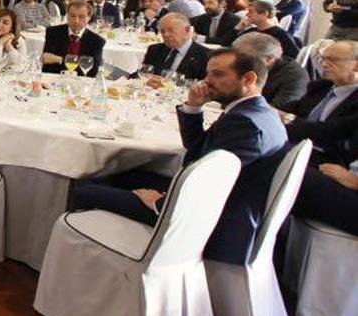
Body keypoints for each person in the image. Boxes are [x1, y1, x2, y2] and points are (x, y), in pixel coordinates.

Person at [71, 48, 287, 264]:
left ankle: (86, 265)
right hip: (212, 201)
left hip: (207, 218)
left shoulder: (244, 123)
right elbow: (197, 153)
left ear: (248, 78)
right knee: (117, 172)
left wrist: (160, 201)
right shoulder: (259, 112)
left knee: (83, 190)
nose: (207, 81)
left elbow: (209, 182)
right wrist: (193, 107)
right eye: (208, 73)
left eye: (218, 74)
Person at [286, 40, 358, 235]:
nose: (324, 65)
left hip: (344, 179)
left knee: (290, 172)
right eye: (323, 59)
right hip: (328, 164)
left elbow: (328, 131)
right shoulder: (320, 87)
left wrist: (354, 180)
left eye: (333, 60)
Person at [235, 32, 308, 113]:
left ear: (268, 59)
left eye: (244, 57)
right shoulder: (244, 65)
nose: (237, 61)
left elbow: (277, 112)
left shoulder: (295, 77)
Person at [137, 13, 211, 82]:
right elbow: (142, 74)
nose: (166, 35)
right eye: (162, 31)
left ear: (187, 30)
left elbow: (204, 86)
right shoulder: (154, 50)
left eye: (170, 30)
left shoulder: (205, 56)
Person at [39, 0, 105, 75]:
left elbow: (92, 72)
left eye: (81, 17)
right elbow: (47, 64)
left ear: (89, 18)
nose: (76, 21)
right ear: (67, 16)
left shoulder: (96, 41)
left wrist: (59, 60)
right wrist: (79, 64)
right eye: (72, 16)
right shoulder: (53, 32)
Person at [234, 0, 300, 59]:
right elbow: (229, 45)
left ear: (264, 14)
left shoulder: (280, 34)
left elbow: (294, 56)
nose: (247, 14)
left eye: (250, 12)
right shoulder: (252, 31)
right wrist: (238, 27)